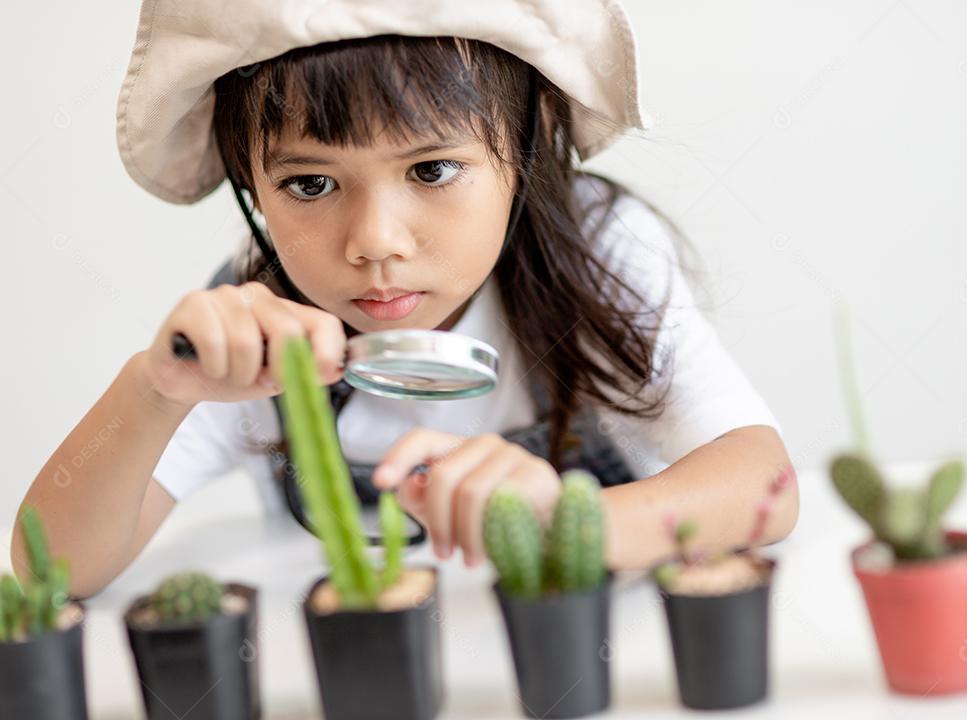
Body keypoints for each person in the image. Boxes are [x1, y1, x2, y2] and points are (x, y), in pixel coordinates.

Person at [13, 0, 798, 598]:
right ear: (249, 180)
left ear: (531, 142)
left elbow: (764, 485)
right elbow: (51, 569)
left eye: (430, 171)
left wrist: (568, 521)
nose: (375, 241)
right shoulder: (257, 319)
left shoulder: (598, 254)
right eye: (309, 184)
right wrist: (155, 389)